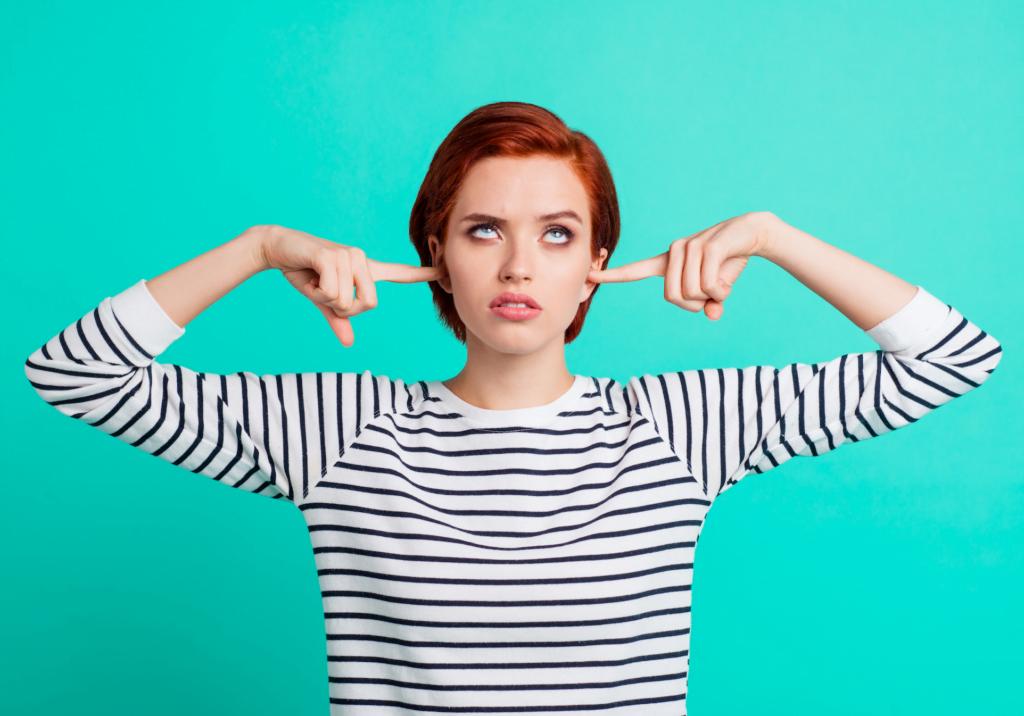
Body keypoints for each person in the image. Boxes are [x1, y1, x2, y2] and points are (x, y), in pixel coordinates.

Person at [25, 101, 1002, 714]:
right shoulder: (340, 430)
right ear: (436, 254)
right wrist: (257, 248)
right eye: (484, 229)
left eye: (557, 233)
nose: (519, 264)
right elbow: (75, 371)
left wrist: (775, 237)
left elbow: (951, 357)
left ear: (595, 269)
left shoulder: (677, 429)